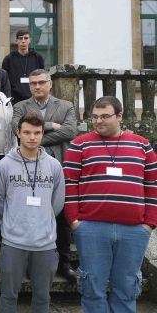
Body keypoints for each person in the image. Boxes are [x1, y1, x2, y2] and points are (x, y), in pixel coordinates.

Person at [63, 96, 157, 313]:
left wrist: (149, 224)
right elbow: (69, 185)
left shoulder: (143, 146)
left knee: (126, 287)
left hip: (134, 230)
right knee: (92, 287)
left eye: (105, 116)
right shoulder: (79, 145)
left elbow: (153, 186)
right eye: (95, 116)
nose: (98, 121)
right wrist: (75, 221)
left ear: (120, 116)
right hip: (91, 228)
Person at [0, 112, 65, 313]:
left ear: (42, 134)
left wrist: (42, 218)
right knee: (8, 295)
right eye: (27, 132)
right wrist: (12, 219)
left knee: (43, 297)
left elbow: (57, 202)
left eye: (37, 132)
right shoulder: (4, 166)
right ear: (18, 133)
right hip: (13, 242)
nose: (32, 137)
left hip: (45, 243)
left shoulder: (54, 166)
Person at [12, 69, 78, 282]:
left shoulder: (66, 106)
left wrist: (36, 136)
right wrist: (49, 126)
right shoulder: (20, 106)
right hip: (28, 171)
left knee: (61, 218)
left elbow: (69, 132)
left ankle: (64, 263)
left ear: (50, 84)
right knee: (32, 215)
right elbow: (16, 128)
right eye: (33, 83)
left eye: (41, 82)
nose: (37, 86)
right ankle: (33, 264)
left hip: (57, 168)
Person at [1, 29, 45, 103]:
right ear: (16, 41)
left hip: (34, 99)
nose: (23, 41)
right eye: (20, 38)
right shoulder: (8, 59)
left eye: (26, 38)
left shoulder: (37, 57)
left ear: (30, 40)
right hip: (14, 100)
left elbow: (42, 78)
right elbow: (4, 80)